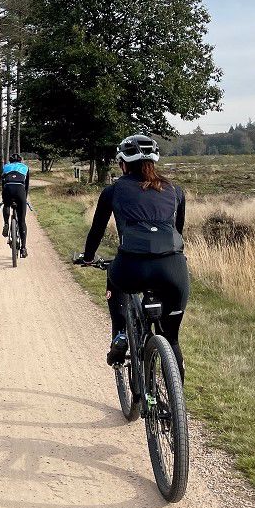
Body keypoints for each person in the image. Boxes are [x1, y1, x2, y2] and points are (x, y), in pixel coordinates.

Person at [80, 135, 189, 381]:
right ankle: (176, 405)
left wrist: (87, 258)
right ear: (154, 161)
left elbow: (96, 230)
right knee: (171, 338)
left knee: (114, 276)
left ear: (123, 164)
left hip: (131, 267)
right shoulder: (176, 191)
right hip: (173, 269)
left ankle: (119, 333)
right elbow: (178, 232)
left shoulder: (113, 190)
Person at [1, 153, 30, 258]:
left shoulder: (6, 167)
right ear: (20, 161)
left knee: (6, 205)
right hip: (20, 191)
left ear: (10, 161)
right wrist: (24, 199)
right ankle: (23, 248)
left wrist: (4, 198)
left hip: (8, 189)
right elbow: (26, 185)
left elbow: (3, 183)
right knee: (22, 221)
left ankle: (6, 223)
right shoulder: (25, 167)